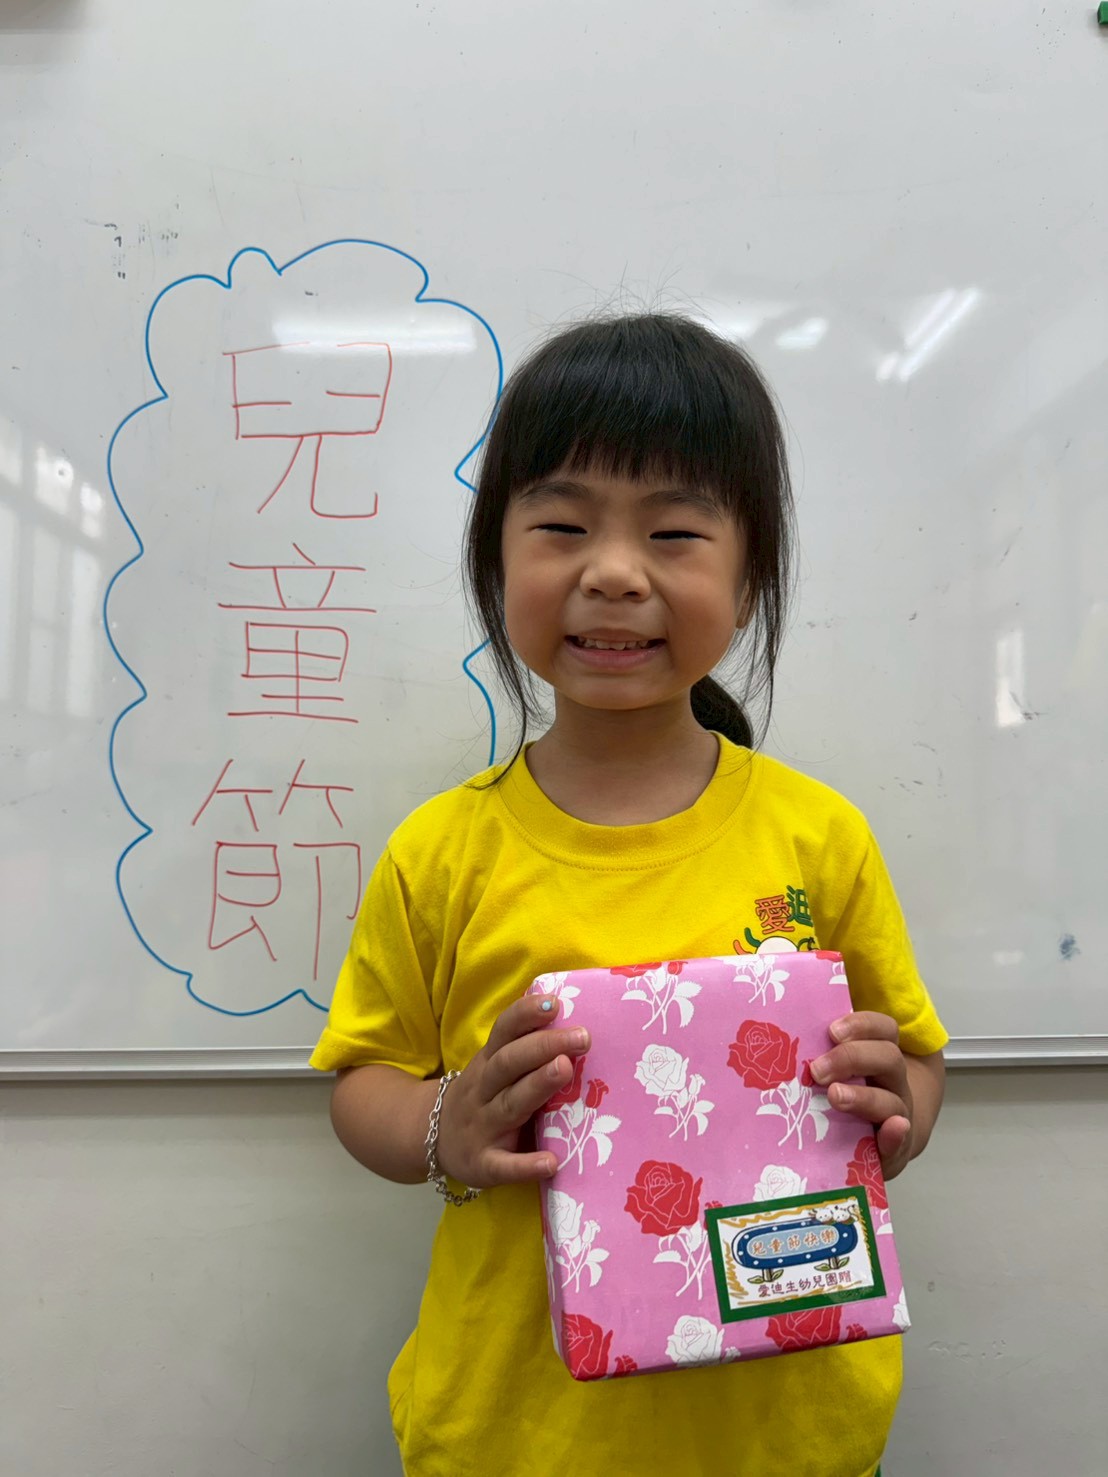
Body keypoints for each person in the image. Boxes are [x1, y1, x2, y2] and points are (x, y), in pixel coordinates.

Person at [311, 313, 947, 1477]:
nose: (611, 571)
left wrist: (893, 1103)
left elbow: (912, 1059)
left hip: (786, 1432)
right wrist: (446, 1126)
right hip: (518, 1433)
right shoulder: (442, 850)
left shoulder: (816, 833)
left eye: (673, 531)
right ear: (495, 562)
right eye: (561, 525)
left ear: (748, 579)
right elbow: (365, 1081)